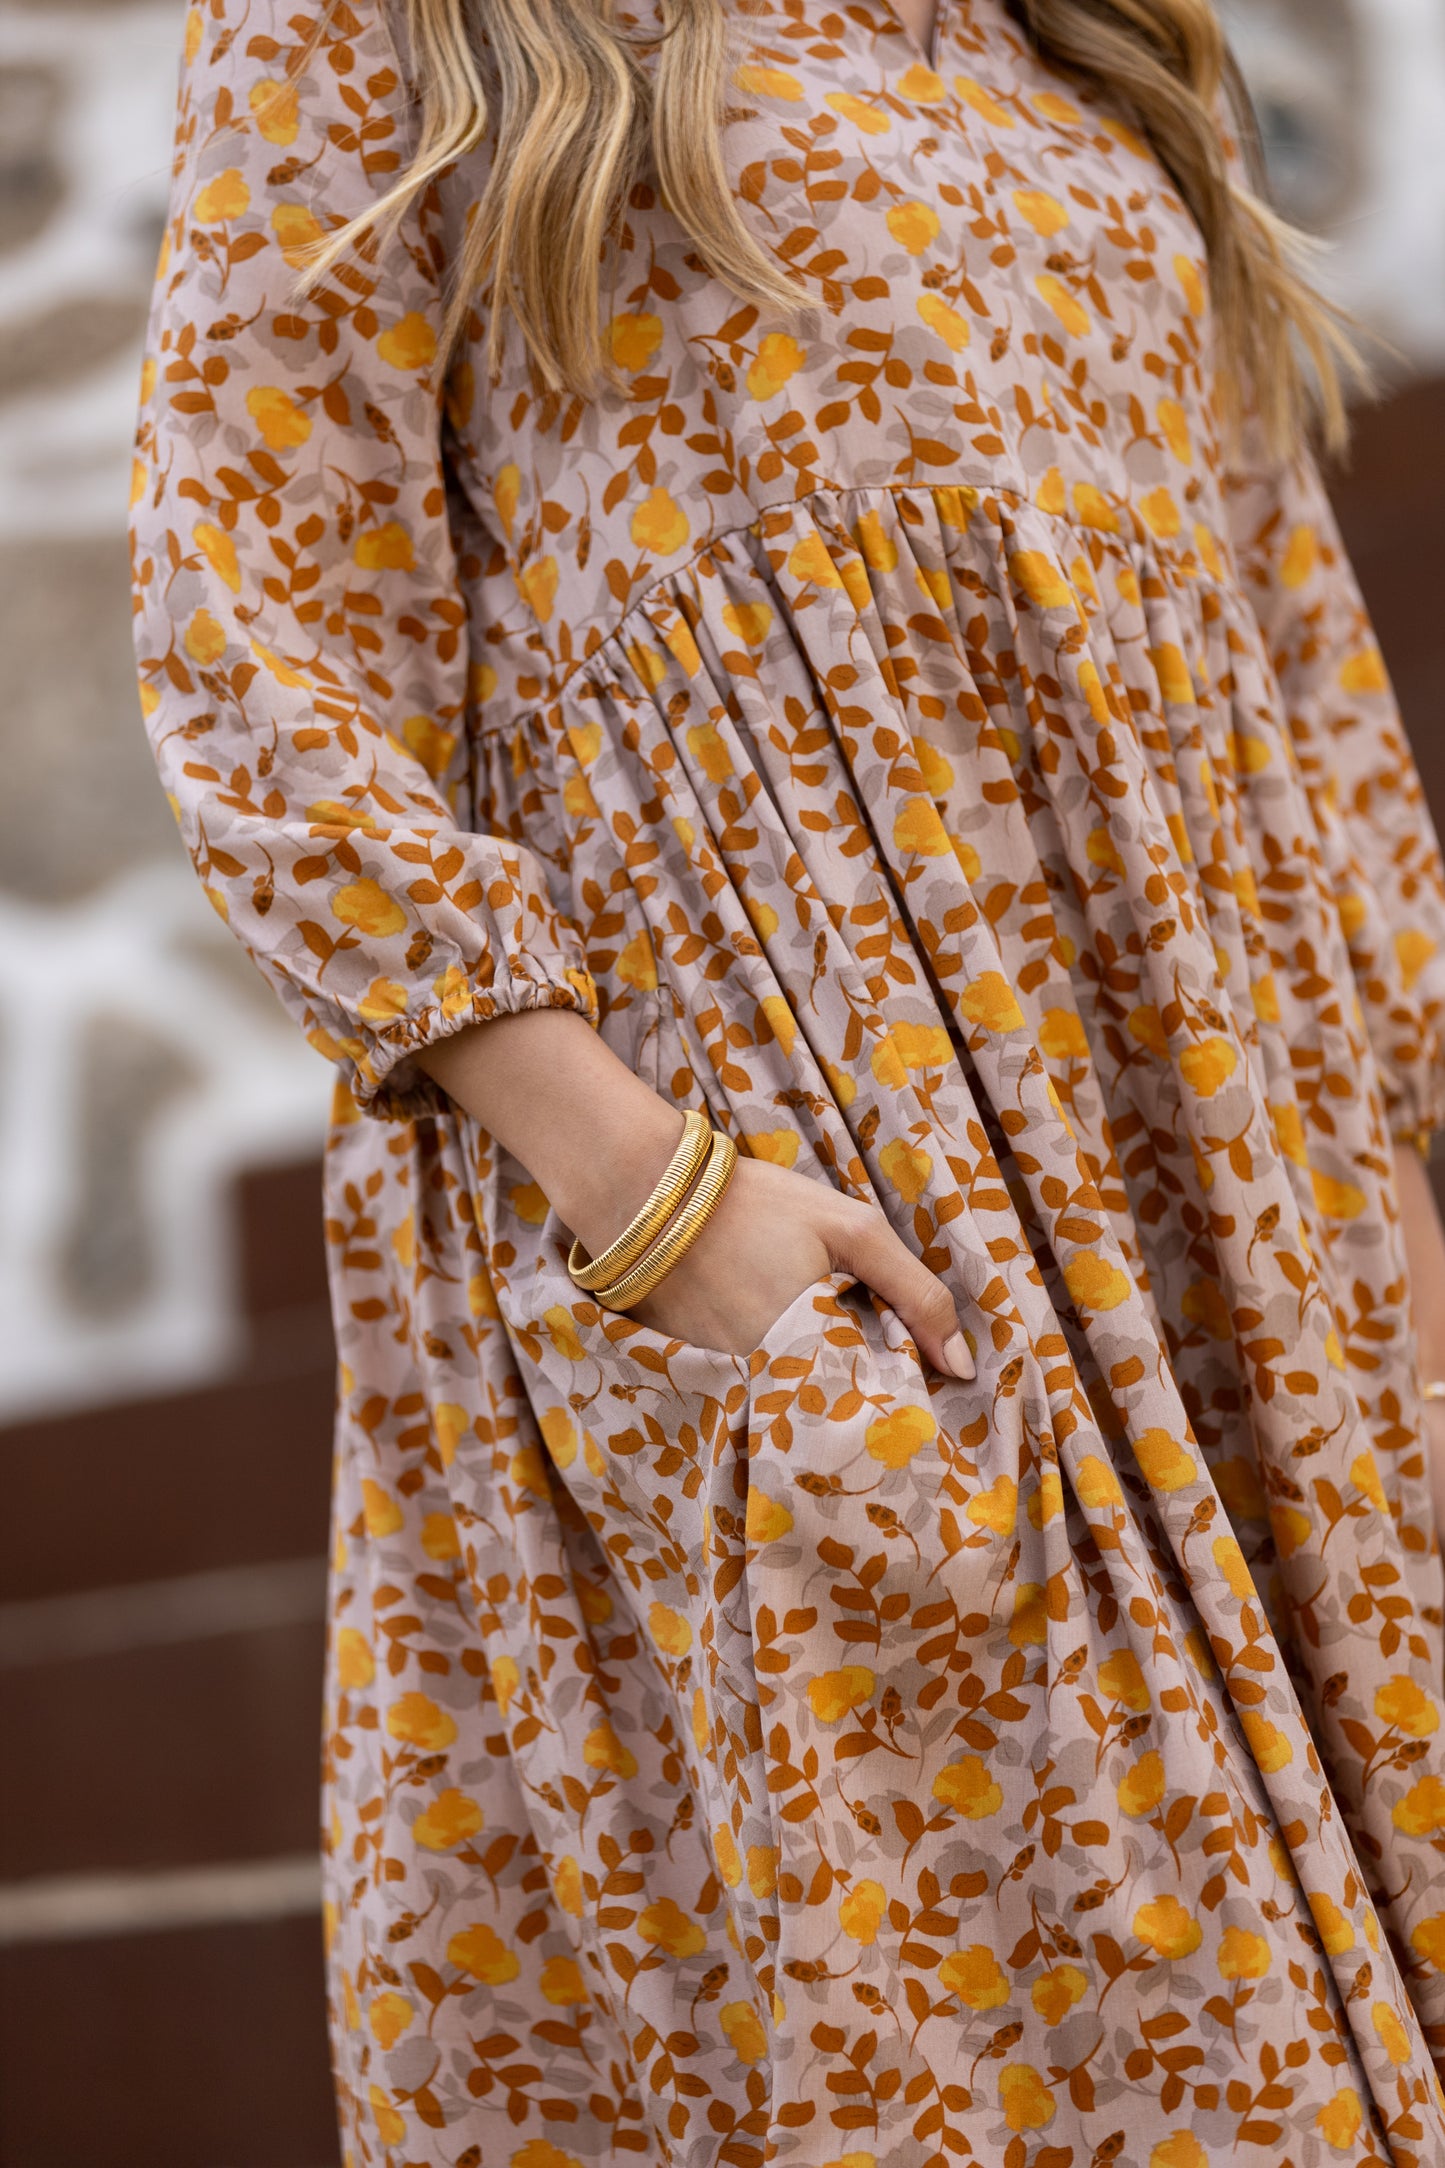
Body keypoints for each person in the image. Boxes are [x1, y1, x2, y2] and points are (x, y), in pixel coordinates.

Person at [132, 0, 1445, 2155]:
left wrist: (1392, 1260)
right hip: (820, 1201)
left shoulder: (1101, 42)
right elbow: (251, 625)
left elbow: (1286, 658)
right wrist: (651, 1196)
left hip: (1246, 1222)